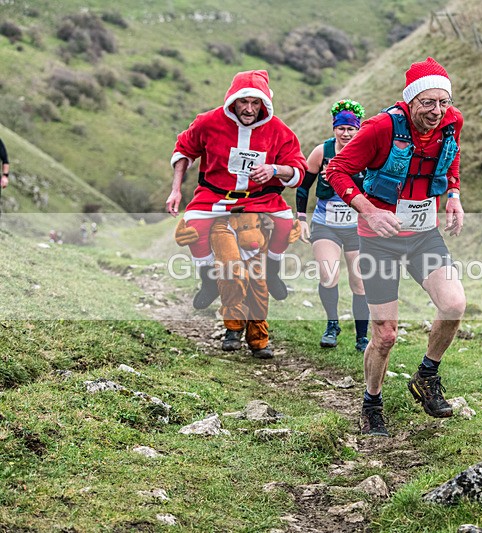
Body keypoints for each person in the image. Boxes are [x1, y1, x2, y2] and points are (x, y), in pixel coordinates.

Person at [327, 57, 466, 437]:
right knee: (385, 335)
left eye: (443, 102)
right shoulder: (379, 128)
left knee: (454, 303)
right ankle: (371, 403)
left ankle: (426, 376)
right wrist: (369, 211)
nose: (437, 111)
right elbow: (336, 170)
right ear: (410, 101)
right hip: (379, 241)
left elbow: (451, 161)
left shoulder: (453, 122)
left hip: (423, 235)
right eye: (428, 103)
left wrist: (453, 194)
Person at [166, 70, 307, 356]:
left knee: (284, 223)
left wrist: (274, 170)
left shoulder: (279, 130)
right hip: (215, 196)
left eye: (256, 104)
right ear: (233, 101)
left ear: (264, 104)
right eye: (244, 102)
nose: (249, 109)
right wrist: (175, 190)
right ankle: (208, 278)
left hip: (260, 198)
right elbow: (184, 149)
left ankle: (275, 270)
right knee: (192, 225)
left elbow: (298, 169)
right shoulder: (208, 122)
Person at [296, 99, 370, 353]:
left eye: (351, 129)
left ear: (358, 129)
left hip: (356, 226)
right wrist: (300, 218)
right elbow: (304, 186)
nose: (346, 133)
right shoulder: (322, 152)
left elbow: (377, 186)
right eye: (341, 128)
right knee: (328, 275)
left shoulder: (367, 153)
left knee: (359, 281)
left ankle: (362, 336)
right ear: (334, 128)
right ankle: (332, 324)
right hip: (325, 223)